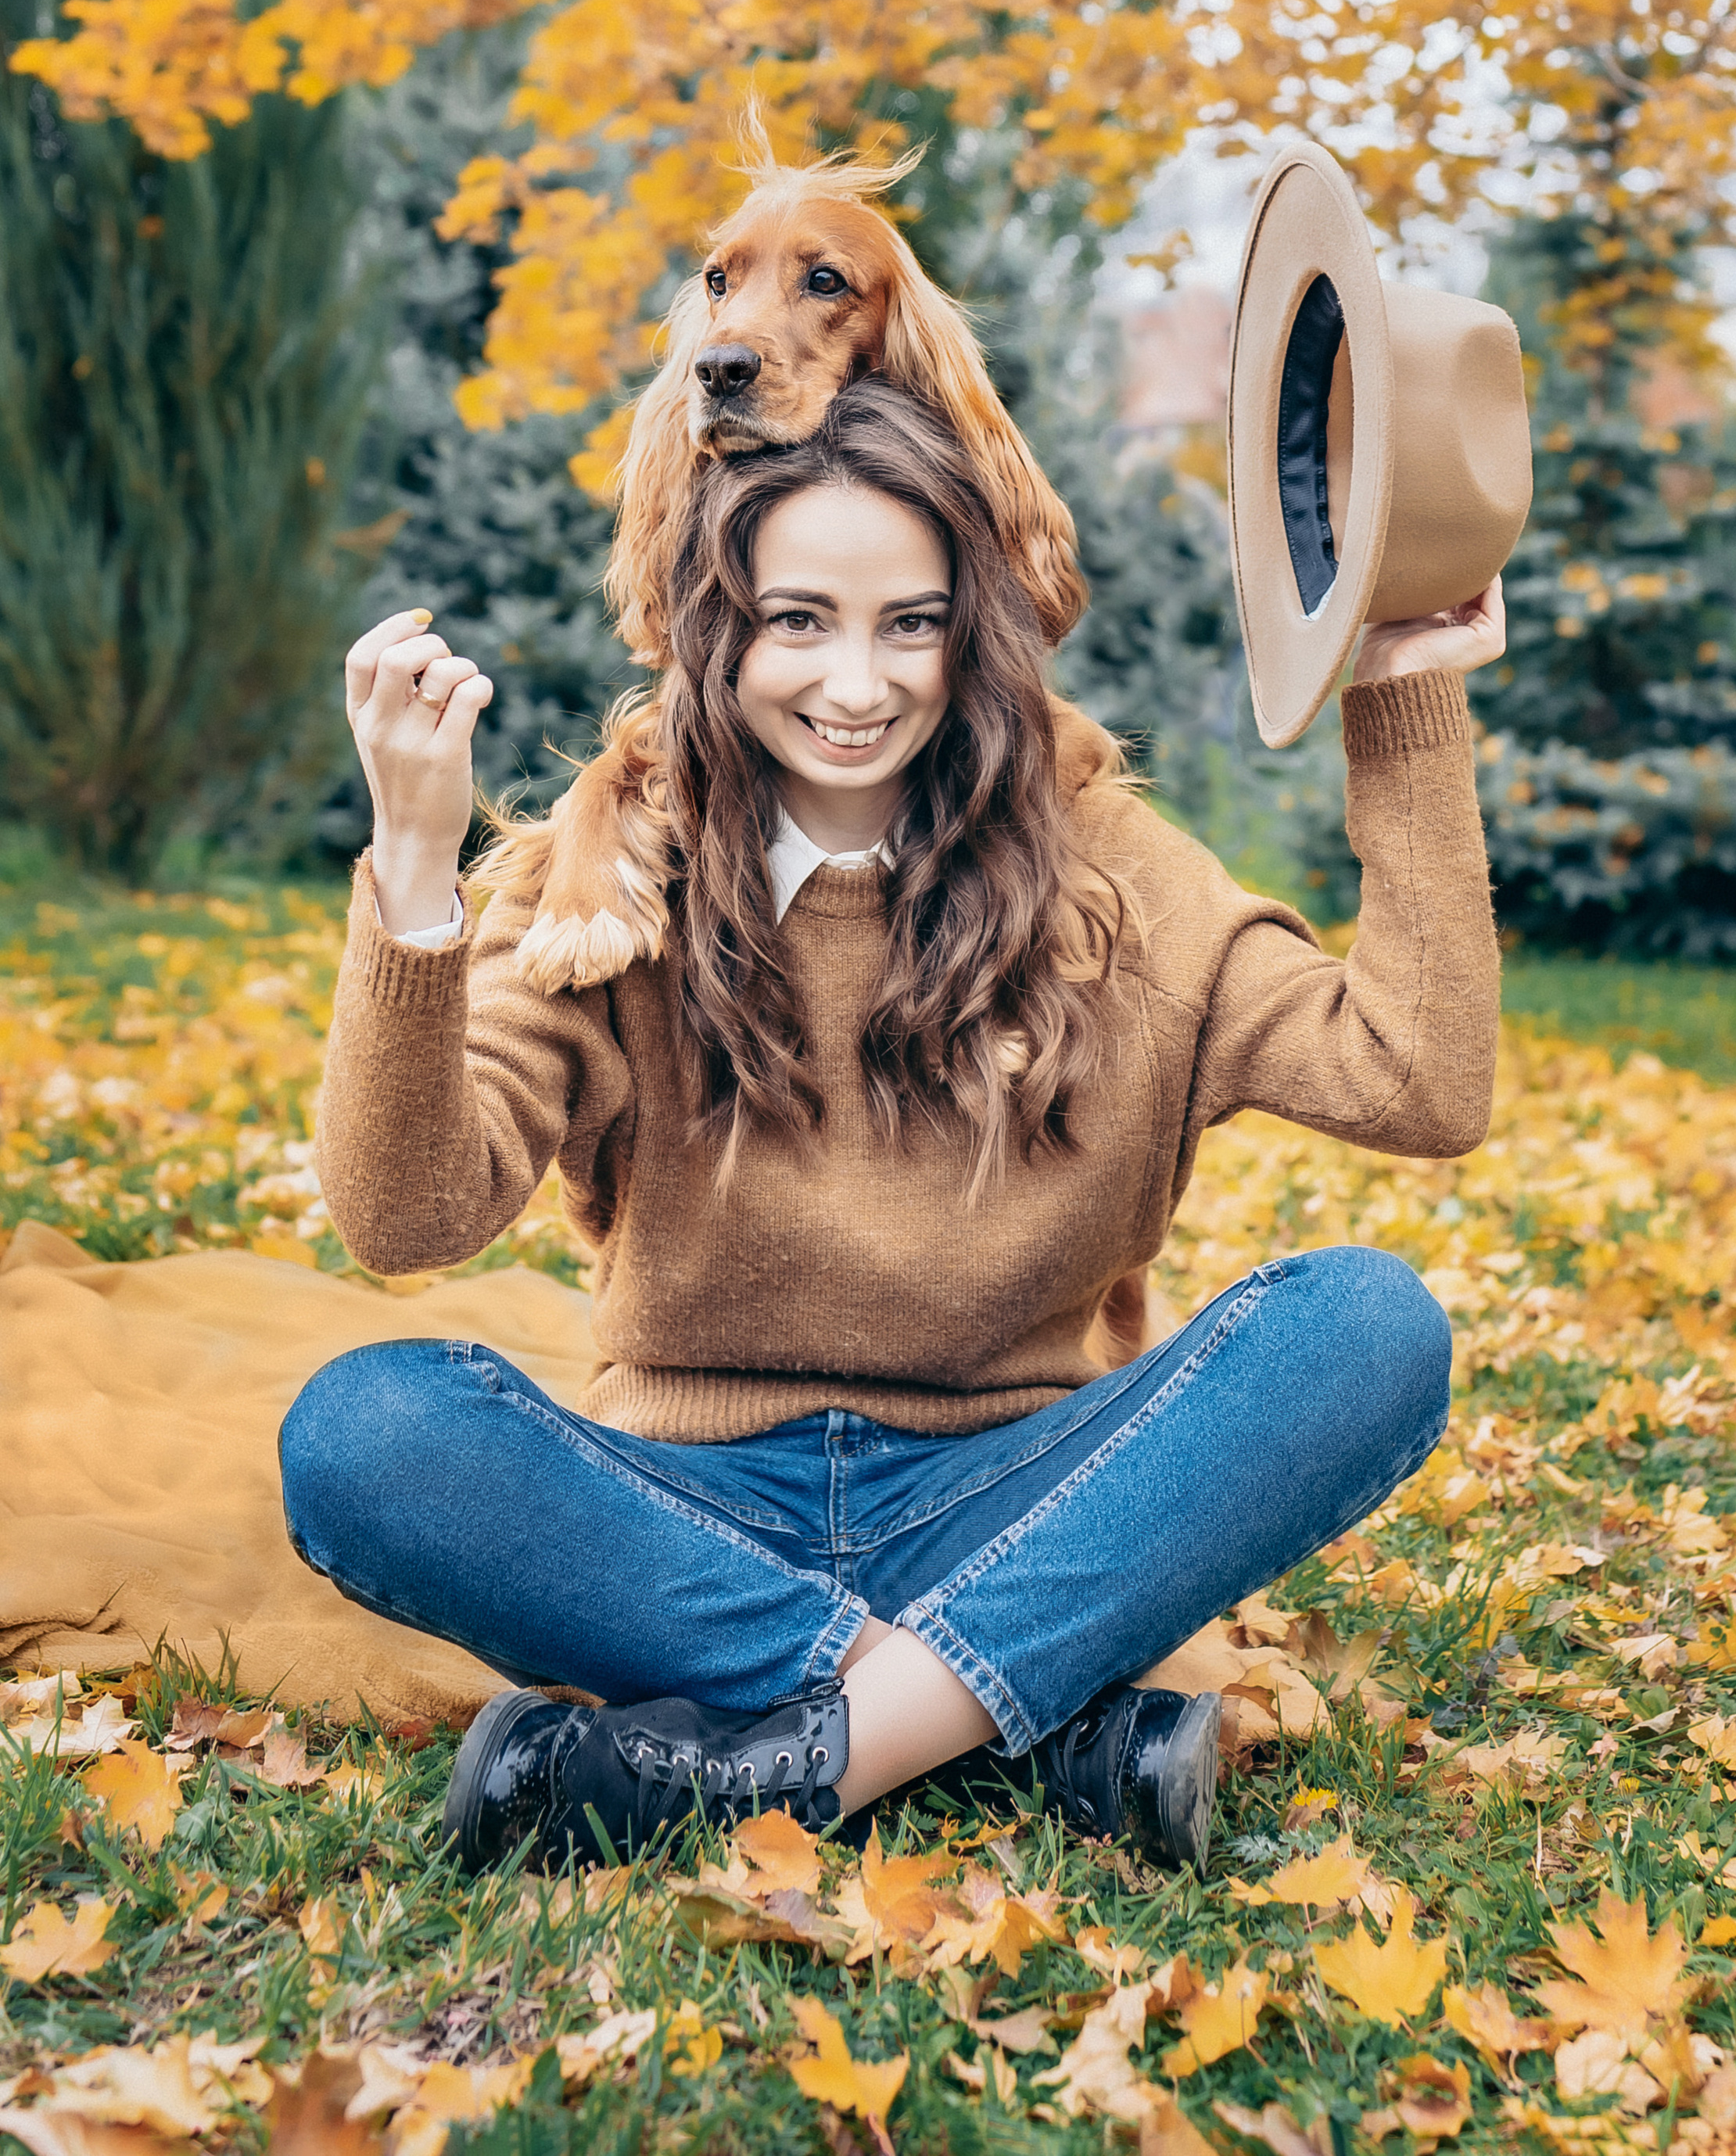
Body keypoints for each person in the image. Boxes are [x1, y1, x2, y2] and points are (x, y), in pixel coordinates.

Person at [281, 379, 1505, 1876]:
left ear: (970, 631)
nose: (856, 682)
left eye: (909, 624)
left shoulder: (1105, 870)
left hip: (1008, 1491)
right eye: (798, 619)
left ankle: (770, 1764)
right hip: (688, 1523)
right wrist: (416, 866)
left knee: (1368, 1322)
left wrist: (1402, 699)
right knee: (364, 1431)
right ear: (714, 631)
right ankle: (1021, 1727)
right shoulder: (617, 880)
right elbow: (406, 1216)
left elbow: (1419, 1078)